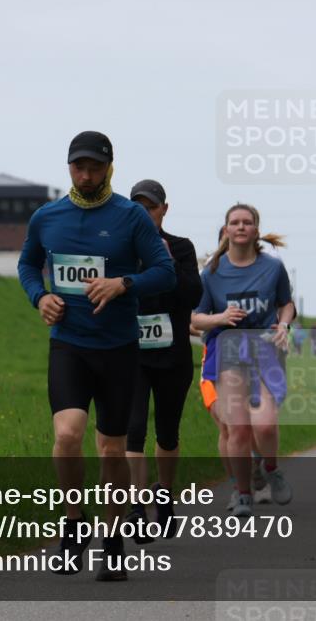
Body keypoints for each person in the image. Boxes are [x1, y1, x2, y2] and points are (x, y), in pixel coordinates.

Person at [17, 131, 176, 581]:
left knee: (111, 450)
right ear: (68, 167)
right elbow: (28, 264)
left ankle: (113, 541)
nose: (86, 176)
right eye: (78, 167)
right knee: (67, 434)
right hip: (69, 342)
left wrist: (123, 283)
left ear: (110, 168)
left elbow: (164, 271)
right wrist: (38, 297)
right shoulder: (47, 217)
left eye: (95, 168)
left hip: (119, 349)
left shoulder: (130, 217)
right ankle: (73, 526)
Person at [192, 203, 296, 518]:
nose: (240, 227)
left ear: (256, 230)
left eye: (247, 222)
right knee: (236, 428)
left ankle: (272, 468)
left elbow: (285, 304)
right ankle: (242, 493)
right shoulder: (210, 273)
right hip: (228, 353)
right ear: (226, 230)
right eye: (234, 222)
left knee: (264, 426)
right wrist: (221, 317)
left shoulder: (272, 267)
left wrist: (284, 324)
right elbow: (195, 319)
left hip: (264, 351)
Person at [124, 179, 202, 541]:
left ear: (163, 210)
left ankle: (165, 498)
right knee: (134, 430)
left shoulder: (182, 248)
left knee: (167, 433)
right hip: (133, 355)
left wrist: (167, 264)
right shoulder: (121, 249)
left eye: (151, 207)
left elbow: (192, 296)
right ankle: (137, 508)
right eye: (137, 207)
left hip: (173, 356)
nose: (145, 213)